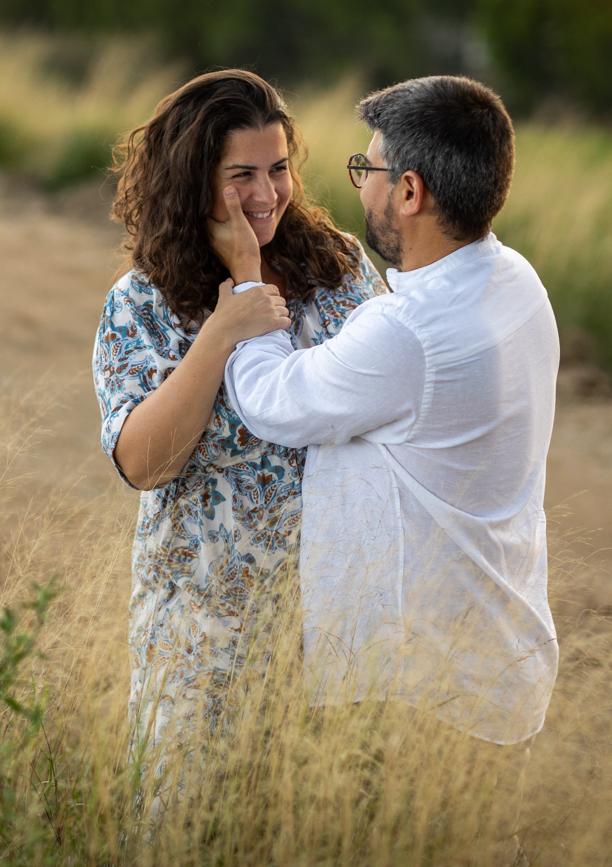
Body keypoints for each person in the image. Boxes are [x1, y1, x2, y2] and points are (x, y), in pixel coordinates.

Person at [215, 75, 560, 749]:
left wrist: (249, 279)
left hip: (417, 686)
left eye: (366, 169)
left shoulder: (408, 332)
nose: (360, 188)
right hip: (499, 661)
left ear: (408, 191)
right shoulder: (518, 279)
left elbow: (272, 400)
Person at [91, 69, 389, 797]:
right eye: (242, 175)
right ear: (194, 182)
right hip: (206, 639)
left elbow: (393, 396)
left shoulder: (339, 266)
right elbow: (143, 462)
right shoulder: (143, 301)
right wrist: (224, 329)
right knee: (196, 831)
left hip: (339, 629)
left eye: (278, 168)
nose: (266, 193)